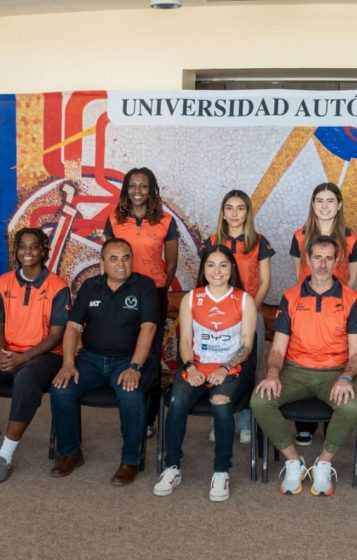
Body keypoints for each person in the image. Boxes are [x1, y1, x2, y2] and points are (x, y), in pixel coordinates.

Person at [251, 235, 357, 497]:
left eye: (328, 258)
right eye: (317, 258)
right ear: (308, 261)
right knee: (260, 400)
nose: (323, 265)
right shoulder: (291, 297)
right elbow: (278, 349)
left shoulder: (351, 299)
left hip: (336, 372)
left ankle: (323, 463)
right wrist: (272, 374)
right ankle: (294, 462)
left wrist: (346, 377)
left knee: (350, 407)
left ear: (337, 262)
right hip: (295, 371)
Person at [49, 238, 159, 485]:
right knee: (61, 389)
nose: (121, 264)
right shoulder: (91, 286)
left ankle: (130, 460)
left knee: (130, 394)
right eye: (114, 258)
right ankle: (70, 453)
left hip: (129, 360)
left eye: (126, 258)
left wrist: (135, 367)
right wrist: (68, 363)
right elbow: (73, 327)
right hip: (91, 359)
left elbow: (149, 328)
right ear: (102, 264)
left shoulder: (144, 286)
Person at [154, 245, 256, 502]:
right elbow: (185, 341)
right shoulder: (192, 298)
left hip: (231, 368)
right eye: (211, 265)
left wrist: (225, 368)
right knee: (176, 401)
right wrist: (190, 367)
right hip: (197, 366)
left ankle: (221, 471)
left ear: (231, 269)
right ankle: (172, 467)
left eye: (223, 265)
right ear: (203, 269)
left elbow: (246, 345)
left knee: (220, 402)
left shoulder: (244, 299)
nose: (217, 271)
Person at [104, 167, 178, 438]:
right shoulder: (114, 220)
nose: (137, 191)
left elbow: (171, 263)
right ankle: (129, 409)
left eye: (143, 186)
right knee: (124, 349)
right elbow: (109, 258)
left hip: (152, 294)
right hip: (120, 294)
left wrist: (156, 291)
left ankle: (148, 418)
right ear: (126, 190)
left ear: (151, 190)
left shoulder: (166, 221)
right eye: (132, 186)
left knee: (150, 357)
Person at [289, 182, 357, 446]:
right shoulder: (300, 235)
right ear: (313, 204)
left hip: (338, 309)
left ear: (339, 205)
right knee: (304, 360)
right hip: (307, 308)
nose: (324, 206)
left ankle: (333, 422)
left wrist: (337, 305)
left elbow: (352, 277)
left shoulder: (351, 237)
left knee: (334, 360)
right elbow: (299, 275)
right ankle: (305, 426)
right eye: (319, 200)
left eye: (330, 200)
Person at [204, 189, 274, 445]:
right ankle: (220, 421)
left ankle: (246, 422)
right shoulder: (213, 241)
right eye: (229, 208)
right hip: (218, 317)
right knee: (217, 365)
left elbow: (265, 281)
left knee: (250, 369)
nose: (234, 213)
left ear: (248, 213)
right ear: (223, 213)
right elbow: (204, 279)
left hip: (249, 314)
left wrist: (249, 309)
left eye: (240, 208)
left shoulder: (258, 242)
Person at [0, 228, 70, 482]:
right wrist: (3, 352)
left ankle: (5, 455)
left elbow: (56, 335)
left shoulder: (58, 286)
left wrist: (23, 357)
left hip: (46, 355)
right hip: (9, 350)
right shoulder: (3, 282)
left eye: (34, 246)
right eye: (22, 246)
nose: (27, 251)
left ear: (43, 251)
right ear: (16, 250)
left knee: (27, 380)